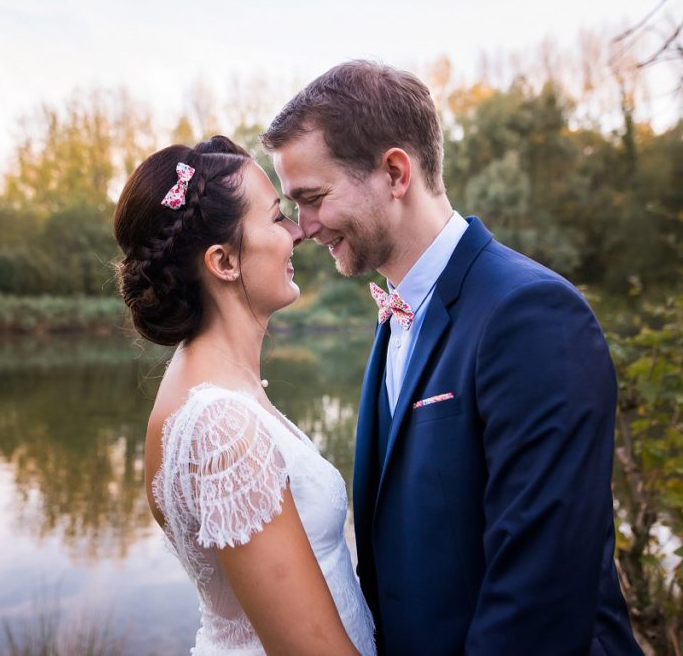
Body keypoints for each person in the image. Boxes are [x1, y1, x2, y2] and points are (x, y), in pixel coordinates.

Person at [262, 60, 642, 655]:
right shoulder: (397, 314)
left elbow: (538, 597)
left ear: (394, 172)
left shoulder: (530, 314)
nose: (302, 228)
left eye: (312, 198)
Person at [113, 136, 376, 656]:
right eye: (277, 218)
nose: (299, 232)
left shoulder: (210, 388)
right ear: (224, 262)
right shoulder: (221, 426)